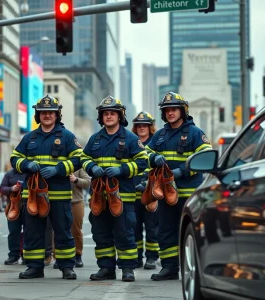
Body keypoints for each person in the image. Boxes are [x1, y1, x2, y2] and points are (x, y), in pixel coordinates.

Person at [10, 95, 82, 280]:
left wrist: (58, 169)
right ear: (38, 115)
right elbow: (14, 158)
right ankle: (34, 267)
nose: (47, 115)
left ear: (57, 115)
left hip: (58, 194)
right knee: (33, 232)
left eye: (51, 112)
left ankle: (67, 267)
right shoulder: (29, 137)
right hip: (33, 195)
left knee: (63, 231)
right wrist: (26, 164)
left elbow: (78, 159)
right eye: (43, 113)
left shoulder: (67, 137)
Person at [80, 96, 148, 282]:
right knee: (101, 234)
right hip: (99, 197)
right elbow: (83, 158)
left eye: (112, 113)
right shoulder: (95, 139)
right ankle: (106, 268)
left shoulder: (131, 139)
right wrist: (91, 167)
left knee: (125, 233)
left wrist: (122, 170)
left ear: (120, 116)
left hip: (123, 197)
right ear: (101, 118)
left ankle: (127, 269)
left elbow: (143, 161)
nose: (109, 116)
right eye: (105, 114)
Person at [146, 92, 212, 281]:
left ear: (182, 111)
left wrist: (182, 171)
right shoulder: (160, 135)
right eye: (167, 110)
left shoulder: (195, 133)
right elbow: (144, 154)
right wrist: (152, 157)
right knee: (165, 230)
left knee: (189, 231)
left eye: (174, 109)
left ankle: (191, 267)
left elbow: (205, 157)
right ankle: (169, 267)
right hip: (166, 194)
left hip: (189, 194)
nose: (170, 113)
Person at [131, 111, 159, 270]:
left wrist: (148, 183)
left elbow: (159, 170)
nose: (142, 128)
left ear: (150, 127)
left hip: (150, 195)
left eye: (145, 126)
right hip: (132, 195)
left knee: (152, 228)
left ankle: (151, 258)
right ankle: (137, 257)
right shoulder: (131, 143)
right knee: (134, 228)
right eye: (139, 126)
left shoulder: (155, 145)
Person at [54, 169, 91, 269]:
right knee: (58, 230)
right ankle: (58, 257)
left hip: (76, 202)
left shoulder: (79, 167)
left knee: (76, 230)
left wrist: (76, 179)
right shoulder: (57, 165)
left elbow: (87, 183)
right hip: (58, 200)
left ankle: (77, 255)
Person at [0, 168, 26, 265]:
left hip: (30, 206)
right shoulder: (10, 174)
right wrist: (11, 189)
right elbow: (2, 188)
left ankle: (26, 255)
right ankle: (13, 255)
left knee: (29, 232)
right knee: (14, 232)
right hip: (13, 207)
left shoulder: (31, 172)